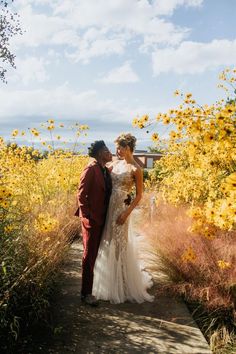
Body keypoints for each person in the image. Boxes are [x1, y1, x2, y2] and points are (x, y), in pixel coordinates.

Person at [92, 133, 154, 304]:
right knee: (107, 241)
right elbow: (100, 168)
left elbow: (139, 196)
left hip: (121, 211)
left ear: (127, 148)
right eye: (116, 148)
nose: (117, 151)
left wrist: (127, 213)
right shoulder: (115, 164)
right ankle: (107, 282)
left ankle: (123, 285)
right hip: (109, 208)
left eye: (119, 148)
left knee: (119, 245)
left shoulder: (136, 169)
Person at [75, 141, 112, 306]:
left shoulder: (104, 169)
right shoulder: (90, 169)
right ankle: (86, 294)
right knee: (89, 256)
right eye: (106, 150)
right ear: (99, 153)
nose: (109, 152)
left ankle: (93, 289)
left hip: (103, 218)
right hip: (92, 221)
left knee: (96, 255)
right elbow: (81, 196)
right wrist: (88, 218)